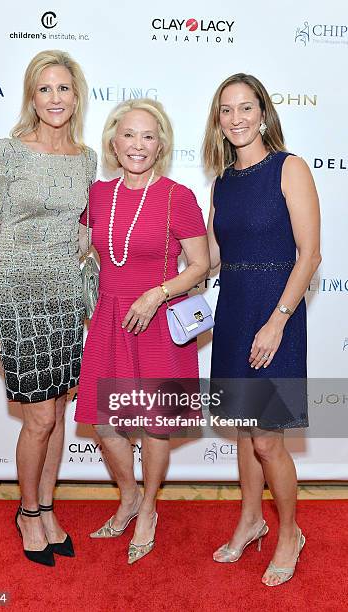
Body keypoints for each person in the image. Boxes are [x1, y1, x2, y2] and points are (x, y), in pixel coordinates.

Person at [0, 50, 97, 566]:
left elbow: (82, 227)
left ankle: (46, 506)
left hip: (67, 295)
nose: (54, 99)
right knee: (39, 417)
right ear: (31, 96)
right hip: (17, 296)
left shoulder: (87, 158)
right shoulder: (9, 153)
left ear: (76, 94)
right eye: (44, 89)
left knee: (59, 408)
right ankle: (25, 512)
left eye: (63, 88)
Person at [74, 98, 210, 564]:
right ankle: (129, 495)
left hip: (157, 322)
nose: (137, 145)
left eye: (148, 136)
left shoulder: (178, 196)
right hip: (110, 319)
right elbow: (73, 243)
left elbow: (201, 264)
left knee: (155, 425)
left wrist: (157, 293)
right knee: (104, 419)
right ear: (113, 141)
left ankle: (149, 507)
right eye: (129, 135)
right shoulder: (95, 195)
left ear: (161, 145)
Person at [203, 73, 321, 586]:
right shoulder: (222, 183)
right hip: (232, 310)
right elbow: (208, 257)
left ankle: (288, 532)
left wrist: (277, 320)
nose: (236, 118)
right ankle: (250, 520)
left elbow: (309, 255)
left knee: (268, 438)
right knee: (244, 432)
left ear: (264, 113)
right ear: (218, 119)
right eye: (226, 110)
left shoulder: (288, 168)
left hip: (275, 312)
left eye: (245, 108)